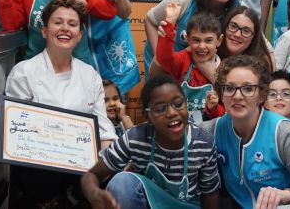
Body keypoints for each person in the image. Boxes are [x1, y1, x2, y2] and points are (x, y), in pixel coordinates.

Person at [5, 0, 117, 207]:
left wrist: (109, 162)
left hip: (81, 170)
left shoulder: (90, 75)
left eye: (72, 24)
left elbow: (103, 128)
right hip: (37, 172)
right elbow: (16, 134)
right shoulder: (24, 73)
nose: (65, 29)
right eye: (58, 22)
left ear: (80, 35)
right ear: (45, 31)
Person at [202, 55, 290, 209]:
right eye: (230, 88)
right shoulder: (212, 131)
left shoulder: (283, 132)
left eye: (248, 88)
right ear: (221, 94)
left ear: (262, 96)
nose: (237, 96)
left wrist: (287, 195)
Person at [81, 74, 220, 209]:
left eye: (178, 104)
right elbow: (91, 175)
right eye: (160, 108)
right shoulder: (135, 138)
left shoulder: (204, 143)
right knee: (122, 182)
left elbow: (210, 195)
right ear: (148, 116)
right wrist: (95, 194)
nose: (172, 112)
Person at [144, 0, 245, 79]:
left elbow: (258, 40)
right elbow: (150, 21)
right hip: (168, 66)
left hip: (198, 69)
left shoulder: (237, 8)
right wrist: (161, 61)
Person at [157, 6, 225, 122]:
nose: (202, 46)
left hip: (208, 134)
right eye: (196, 40)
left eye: (208, 40)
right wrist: (169, 25)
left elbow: (227, 113)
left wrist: (213, 108)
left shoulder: (224, 68)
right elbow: (164, 59)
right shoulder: (184, 59)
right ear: (187, 39)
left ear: (219, 41)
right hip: (180, 128)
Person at [218, 6, 275, 72]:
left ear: (254, 37)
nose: (237, 34)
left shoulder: (260, 65)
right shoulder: (211, 53)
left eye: (246, 31)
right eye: (233, 26)